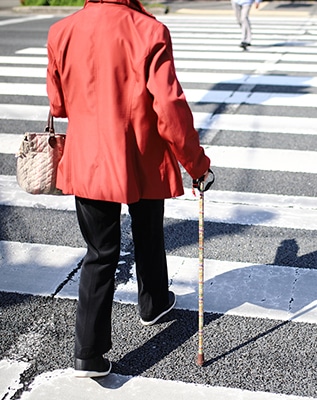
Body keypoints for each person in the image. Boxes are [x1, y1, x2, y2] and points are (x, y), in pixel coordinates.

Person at [46, 0, 211, 378]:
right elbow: (169, 108)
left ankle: (88, 352)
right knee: (149, 232)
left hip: (90, 155)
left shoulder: (61, 30)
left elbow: (57, 103)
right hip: (142, 154)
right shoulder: (149, 30)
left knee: (100, 251)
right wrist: (197, 165)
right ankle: (152, 303)